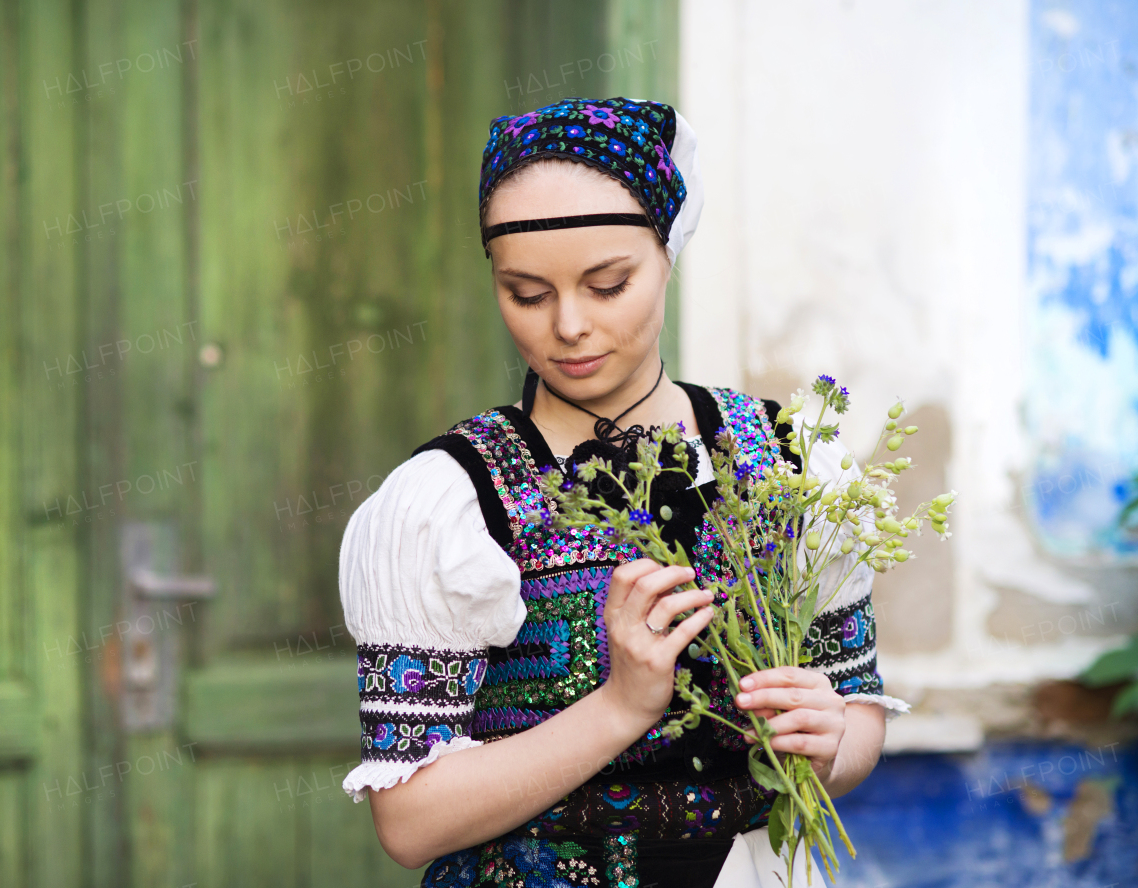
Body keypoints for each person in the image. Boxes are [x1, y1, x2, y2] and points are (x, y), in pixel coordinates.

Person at [339, 96, 908, 888]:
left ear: (668, 253)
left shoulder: (789, 462)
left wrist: (827, 734)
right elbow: (410, 821)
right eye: (526, 294)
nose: (568, 325)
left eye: (608, 284)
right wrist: (621, 706)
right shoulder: (454, 500)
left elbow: (857, 720)